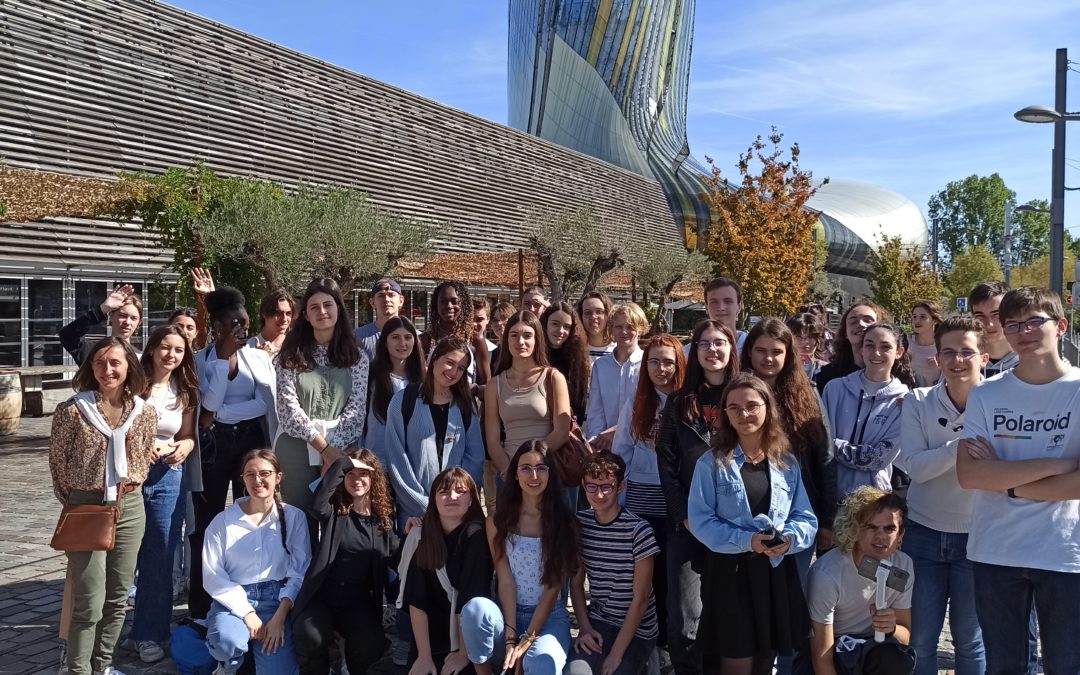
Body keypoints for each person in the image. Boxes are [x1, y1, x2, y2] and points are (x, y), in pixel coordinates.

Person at [956, 286, 1080, 675]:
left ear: (1060, 326)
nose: (1023, 332)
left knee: (1067, 665)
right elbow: (970, 473)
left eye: (1034, 322)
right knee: (1005, 667)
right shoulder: (986, 394)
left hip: (1063, 554)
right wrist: (1055, 465)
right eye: (1013, 325)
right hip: (996, 553)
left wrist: (1008, 483)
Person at [687, 373, 817, 675]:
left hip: (773, 572)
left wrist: (790, 539)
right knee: (737, 660)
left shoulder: (787, 463)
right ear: (725, 415)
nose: (744, 414)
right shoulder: (712, 463)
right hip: (731, 574)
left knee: (764, 659)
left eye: (751, 405)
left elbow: (806, 518)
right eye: (734, 408)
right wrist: (747, 541)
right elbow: (701, 521)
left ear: (767, 408)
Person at [49, 337, 158, 675]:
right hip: (87, 506)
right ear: (90, 368)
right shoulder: (72, 411)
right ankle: (78, 670)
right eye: (100, 362)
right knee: (89, 599)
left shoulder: (144, 412)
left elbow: (143, 459)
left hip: (129, 506)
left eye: (115, 363)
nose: (108, 369)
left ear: (129, 367)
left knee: (117, 597)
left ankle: (103, 665)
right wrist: (83, 497)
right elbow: (58, 465)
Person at [895, 317, 987, 675]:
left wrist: (944, 455)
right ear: (936, 356)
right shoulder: (918, 401)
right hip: (923, 534)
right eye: (948, 351)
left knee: (969, 640)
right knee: (920, 638)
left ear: (984, 357)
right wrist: (962, 446)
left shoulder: (998, 403)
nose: (958, 360)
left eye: (967, 351)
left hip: (979, 536)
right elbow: (915, 468)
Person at [656, 320, 739, 675]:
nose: (712, 350)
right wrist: (681, 515)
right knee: (685, 617)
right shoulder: (679, 403)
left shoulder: (746, 398)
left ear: (731, 348)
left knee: (727, 614)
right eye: (704, 343)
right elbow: (667, 463)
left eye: (719, 342)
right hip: (688, 524)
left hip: (735, 524)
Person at [191, 286, 279, 621]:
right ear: (217, 326)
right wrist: (223, 362)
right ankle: (200, 604)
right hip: (213, 448)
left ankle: (253, 593)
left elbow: (264, 403)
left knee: (253, 517)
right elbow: (206, 407)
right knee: (207, 522)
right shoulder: (201, 360)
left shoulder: (257, 357)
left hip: (251, 444)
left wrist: (225, 413)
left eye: (243, 322)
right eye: (233, 324)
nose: (241, 329)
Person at [460, 440, 580, 675]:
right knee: (475, 609)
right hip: (507, 611)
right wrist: (510, 636)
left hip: (549, 617)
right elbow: (504, 579)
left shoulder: (565, 522)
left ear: (550, 473)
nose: (533, 475)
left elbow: (553, 586)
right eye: (525, 468)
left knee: (541, 665)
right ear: (514, 474)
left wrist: (527, 639)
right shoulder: (496, 521)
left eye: (541, 468)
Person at [202, 449, 311, 675]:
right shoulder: (222, 522)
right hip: (234, 598)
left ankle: (257, 654)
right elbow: (213, 576)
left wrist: (279, 618)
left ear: (277, 477)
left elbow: (299, 571)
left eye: (265, 473)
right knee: (227, 642)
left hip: (276, 600)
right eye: (250, 474)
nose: (257, 480)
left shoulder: (294, 517)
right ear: (242, 479)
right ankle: (228, 664)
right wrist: (246, 613)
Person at [128, 326, 200, 663]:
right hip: (130, 476)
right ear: (153, 348)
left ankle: (149, 633)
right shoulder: (132, 384)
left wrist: (184, 446)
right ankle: (100, 633)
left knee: (159, 554)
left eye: (179, 350)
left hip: (169, 476)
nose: (171, 355)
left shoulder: (183, 389)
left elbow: (187, 435)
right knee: (121, 555)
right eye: (165, 348)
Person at [741, 318, 836, 574]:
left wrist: (827, 521)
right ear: (749, 351)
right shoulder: (735, 393)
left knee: (794, 595)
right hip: (747, 511)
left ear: (788, 354)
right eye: (761, 350)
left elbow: (825, 458)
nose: (768, 358)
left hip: (797, 511)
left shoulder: (807, 395)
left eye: (776, 352)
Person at [292, 451, 399, 674]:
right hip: (323, 597)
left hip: (357, 602)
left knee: (370, 646)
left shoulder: (383, 521)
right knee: (309, 635)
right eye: (350, 474)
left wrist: (413, 533)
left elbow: (396, 554)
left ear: (374, 478)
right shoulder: (334, 511)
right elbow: (317, 502)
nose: (356, 479)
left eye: (363, 474)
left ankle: (347, 665)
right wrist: (342, 463)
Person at [611, 334, 685, 656]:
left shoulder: (687, 401)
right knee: (646, 576)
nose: (661, 368)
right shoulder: (638, 401)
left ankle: (671, 642)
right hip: (641, 500)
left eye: (668, 361)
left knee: (673, 577)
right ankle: (647, 641)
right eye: (654, 361)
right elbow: (622, 450)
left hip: (677, 502)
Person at [275, 279, 368, 514]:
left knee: (338, 518)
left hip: (344, 448)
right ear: (305, 315)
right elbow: (288, 410)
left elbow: (356, 412)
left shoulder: (357, 358)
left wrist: (333, 453)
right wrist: (324, 449)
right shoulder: (289, 357)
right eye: (314, 307)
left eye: (328, 305)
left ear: (338, 309)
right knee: (298, 519)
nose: (322, 311)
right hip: (296, 448)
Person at [569, 452, 660, 675]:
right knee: (575, 672)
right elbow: (576, 582)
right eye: (592, 486)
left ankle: (649, 659)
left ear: (620, 487)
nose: (599, 494)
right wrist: (584, 627)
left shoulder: (639, 531)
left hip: (638, 628)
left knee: (614, 670)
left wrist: (615, 655)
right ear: (583, 485)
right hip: (599, 620)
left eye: (606, 486)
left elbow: (640, 600)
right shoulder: (580, 524)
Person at [807, 487, 914, 675]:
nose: (880, 537)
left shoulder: (903, 565)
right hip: (835, 649)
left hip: (875, 648)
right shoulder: (827, 573)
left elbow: (904, 637)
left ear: (900, 535)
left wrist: (891, 628)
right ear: (854, 530)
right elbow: (821, 656)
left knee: (895, 659)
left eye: (889, 529)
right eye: (870, 527)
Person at [399, 467, 493, 675]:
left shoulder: (477, 535)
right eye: (443, 492)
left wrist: (462, 654)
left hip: (465, 635)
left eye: (460, 491)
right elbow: (416, 600)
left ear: (471, 499)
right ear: (433, 500)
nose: (452, 497)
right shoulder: (421, 536)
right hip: (430, 636)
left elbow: (471, 598)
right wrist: (423, 656)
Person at [386, 337, 486, 522]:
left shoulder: (464, 405)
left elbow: (475, 458)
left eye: (461, 368)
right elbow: (396, 457)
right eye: (450, 363)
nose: (454, 372)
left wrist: (457, 501)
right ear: (434, 359)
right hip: (414, 514)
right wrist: (424, 504)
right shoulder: (403, 400)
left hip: (456, 514)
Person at [822, 322, 912, 498]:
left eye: (885, 347)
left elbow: (878, 459)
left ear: (899, 352)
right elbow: (819, 445)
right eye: (869, 345)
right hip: (830, 496)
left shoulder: (904, 401)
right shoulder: (834, 389)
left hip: (875, 501)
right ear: (861, 349)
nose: (876, 353)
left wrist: (833, 445)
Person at [484, 311, 571, 479]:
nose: (520, 342)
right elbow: (493, 442)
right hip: (509, 473)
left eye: (527, 335)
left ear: (537, 339)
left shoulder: (553, 378)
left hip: (546, 471)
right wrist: (511, 471)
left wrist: (532, 465)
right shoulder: (494, 385)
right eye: (514, 335)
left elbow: (562, 432)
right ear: (506, 339)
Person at [364, 316, 426, 468]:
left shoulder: (425, 379)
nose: (402, 343)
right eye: (395, 337)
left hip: (412, 462)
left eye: (407, 337)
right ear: (385, 341)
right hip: (376, 461)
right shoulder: (369, 375)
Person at [585, 303, 647, 451]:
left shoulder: (648, 364)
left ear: (640, 329)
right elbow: (595, 410)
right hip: (606, 448)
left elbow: (650, 408)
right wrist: (596, 440)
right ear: (611, 328)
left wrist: (619, 431)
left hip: (640, 446)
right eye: (618, 327)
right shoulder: (600, 367)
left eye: (630, 327)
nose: (624, 332)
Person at [421, 280, 490, 386]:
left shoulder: (475, 340)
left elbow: (486, 385)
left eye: (454, 301)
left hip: (465, 401)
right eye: (443, 301)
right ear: (436, 305)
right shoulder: (425, 340)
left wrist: (472, 391)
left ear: (463, 304)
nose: (449, 306)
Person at [815, 302, 887, 395]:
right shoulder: (826, 376)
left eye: (868, 320)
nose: (861, 324)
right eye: (853, 322)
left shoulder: (896, 375)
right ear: (845, 333)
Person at [59, 284, 143, 364]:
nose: (127, 322)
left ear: (139, 323)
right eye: (122, 315)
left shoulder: (143, 359)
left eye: (133, 318)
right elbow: (67, 335)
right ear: (111, 316)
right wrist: (102, 309)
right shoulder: (94, 351)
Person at [540, 301, 591, 423]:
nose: (561, 331)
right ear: (545, 324)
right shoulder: (534, 355)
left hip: (566, 428)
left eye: (567, 327)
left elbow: (580, 404)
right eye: (555, 324)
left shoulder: (578, 360)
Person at [968, 281, 1019, 378]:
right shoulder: (965, 364)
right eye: (980, 316)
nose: (989, 324)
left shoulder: (1029, 365)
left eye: (996, 314)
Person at [355, 277, 405, 361]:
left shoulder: (415, 337)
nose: (386, 299)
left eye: (391, 295)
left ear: (401, 301)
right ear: (372, 302)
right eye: (381, 296)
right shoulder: (358, 337)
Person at [702, 277, 748, 354]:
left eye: (728, 301)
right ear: (706, 307)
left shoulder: (753, 348)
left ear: (739, 307)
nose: (721, 307)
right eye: (714, 302)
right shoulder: (689, 353)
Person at [248, 288, 296, 355]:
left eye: (288, 313)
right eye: (278, 313)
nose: (284, 319)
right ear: (264, 314)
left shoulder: (297, 349)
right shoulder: (247, 348)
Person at [787, 313, 829, 386]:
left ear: (818, 339)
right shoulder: (781, 368)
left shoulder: (826, 370)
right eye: (798, 337)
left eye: (810, 337)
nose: (806, 341)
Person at [907, 301, 941, 387]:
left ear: (935, 320)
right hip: (910, 396)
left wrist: (938, 372)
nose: (917, 321)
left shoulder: (943, 345)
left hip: (936, 396)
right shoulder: (907, 342)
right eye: (914, 317)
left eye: (923, 317)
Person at [577, 292, 616, 364]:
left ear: (609, 315)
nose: (593, 316)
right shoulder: (575, 351)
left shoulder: (619, 351)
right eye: (587, 313)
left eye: (599, 311)